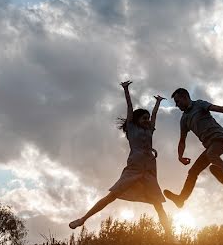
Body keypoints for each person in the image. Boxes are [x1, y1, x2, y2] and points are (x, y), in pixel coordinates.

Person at [69, 80, 171, 235]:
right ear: (136, 120)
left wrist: (157, 102)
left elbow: (155, 115)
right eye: (144, 118)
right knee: (112, 196)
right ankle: (82, 219)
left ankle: (170, 235)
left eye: (148, 118)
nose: (147, 120)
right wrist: (126, 89)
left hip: (149, 170)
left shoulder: (150, 130)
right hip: (134, 168)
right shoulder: (131, 128)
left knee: (158, 204)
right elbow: (129, 108)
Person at [163, 88, 223, 208]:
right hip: (209, 146)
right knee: (192, 172)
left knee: (211, 154)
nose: (177, 105)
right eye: (175, 103)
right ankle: (181, 199)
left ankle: (222, 174)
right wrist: (180, 156)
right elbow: (182, 140)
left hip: (220, 138)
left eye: (178, 101)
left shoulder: (199, 104)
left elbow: (217, 108)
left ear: (185, 97)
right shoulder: (184, 119)